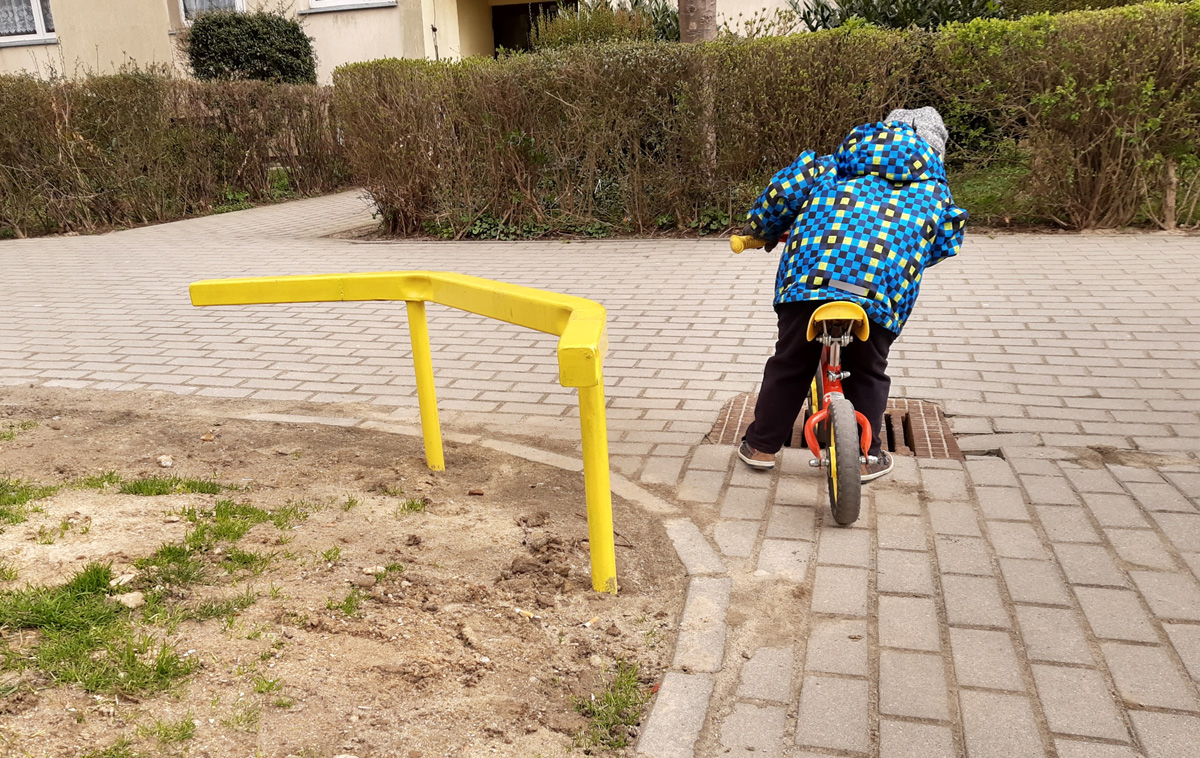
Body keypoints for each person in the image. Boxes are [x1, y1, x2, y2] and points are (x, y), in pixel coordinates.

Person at [737, 107, 968, 481]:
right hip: (880, 289)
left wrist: (761, 229)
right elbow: (946, 240)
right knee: (868, 369)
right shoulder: (935, 190)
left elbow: (781, 194)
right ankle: (865, 456)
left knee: (790, 363)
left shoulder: (829, 166)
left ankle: (761, 446)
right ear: (935, 149)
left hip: (809, 280)